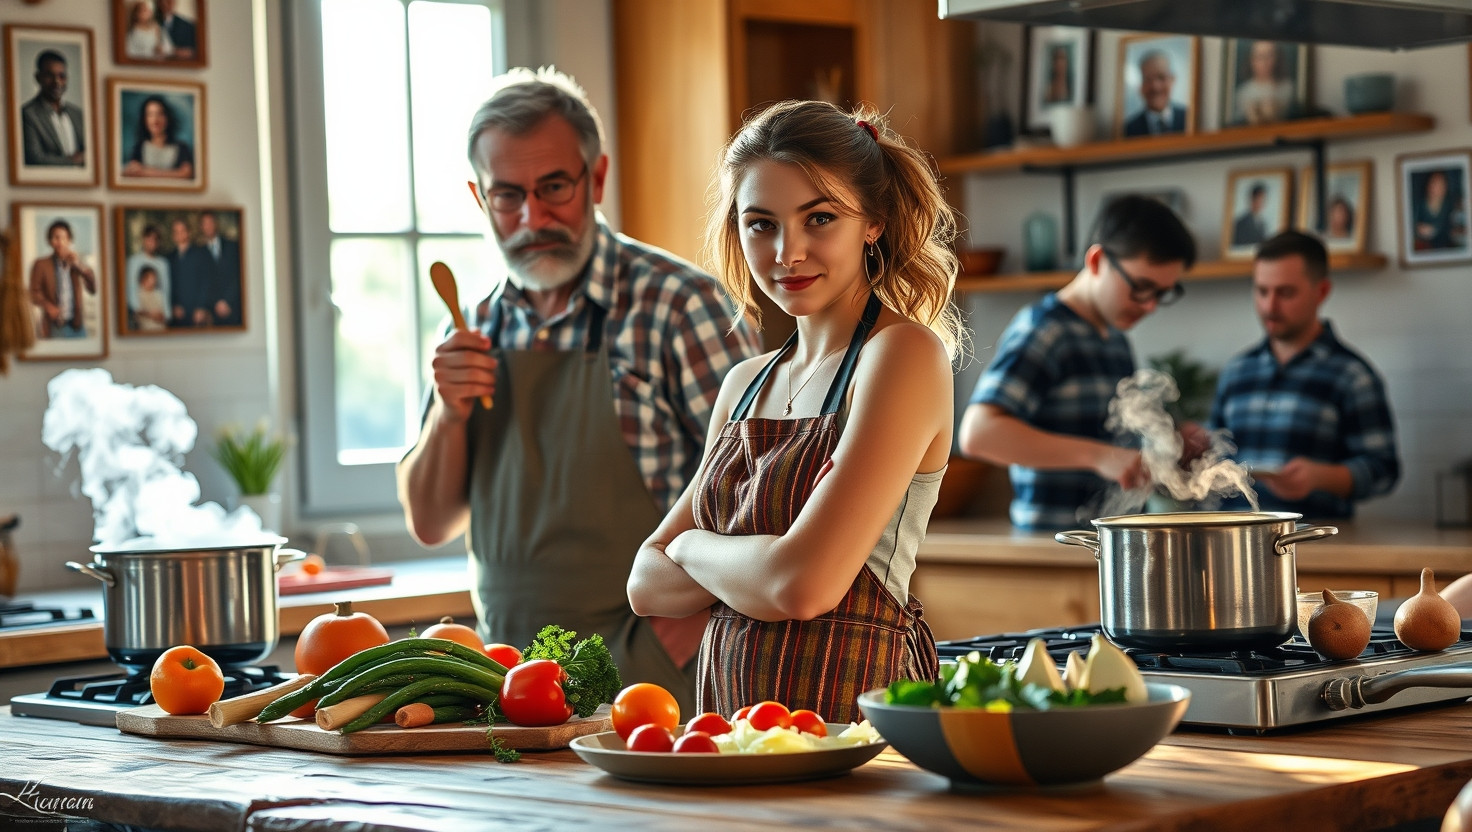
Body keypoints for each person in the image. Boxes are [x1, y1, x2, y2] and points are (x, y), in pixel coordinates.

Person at [396, 67, 760, 715]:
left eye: (554, 187)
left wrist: (680, 633)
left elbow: (764, 492)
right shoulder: (472, 326)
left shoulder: (680, 307)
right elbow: (429, 523)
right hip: (506, 683)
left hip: (650, 676)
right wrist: (448, 417)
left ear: (596, 178)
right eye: (508, 196)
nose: (533, 218)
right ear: (480, 199)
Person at [626, 101, 961, 723]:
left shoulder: (902, 355)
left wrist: (696, 546)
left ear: (874, 222)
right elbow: (646, 584)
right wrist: (762, 564)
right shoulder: (744, 383)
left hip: (857, 723)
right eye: (761, 224)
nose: (787, 251)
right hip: (729, 731)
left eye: (820, 218)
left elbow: (803, 586)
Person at [958, 195, 1198, 530]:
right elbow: (978, 433)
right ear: (1098, 260)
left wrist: (1169, 444)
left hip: (1109, 547)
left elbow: (1114, 442)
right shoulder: (1045, 330)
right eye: (1142, 287)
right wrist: (1100, 457)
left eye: (1162, 293)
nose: (1150, 307)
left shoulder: (1115, 342)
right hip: (1055, 550)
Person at [1209, 231, 1399, 519]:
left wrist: (1323, 477)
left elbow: (1384, 470)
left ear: (1321, 292)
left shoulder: (1351, 376)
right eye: (1262, 291)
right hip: (1232, 542)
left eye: (1285, 293)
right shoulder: (1236, 372)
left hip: (1315, 545)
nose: (1269, 306)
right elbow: (1215, 456)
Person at [29, 219, 97, 339]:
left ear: (70, 240)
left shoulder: (77, 263)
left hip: (77, 325)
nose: (60, 242)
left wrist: (77, 264)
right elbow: (33, 293)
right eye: (56, 237)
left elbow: (93, 288)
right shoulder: (41, 264)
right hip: (55, 325)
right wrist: (48, 306)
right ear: (50, 241)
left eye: (64, 238)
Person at [20, 50, 85, 167]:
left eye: (62, 76)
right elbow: (34, 159)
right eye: (49, 75)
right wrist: (72, 161)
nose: (57, 82)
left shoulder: (77, 113)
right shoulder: (27, 114)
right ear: (38, 77)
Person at [122, 96, 194, 179]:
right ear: (144, 120)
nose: (155, 120)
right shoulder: (139, 147)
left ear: (167, 118)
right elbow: (133, 172)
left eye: (159, 114)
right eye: (150, 115)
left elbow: (186, 173)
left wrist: (146, 172)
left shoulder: (181, 147)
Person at [1122, 50, 1187, 137]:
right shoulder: (1128, 130)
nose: (1155, 87)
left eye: (1161, 77)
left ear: (1172, 80)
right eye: (1147, 79)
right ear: (1140, 86)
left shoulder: (1189, 119)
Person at [1232, 40, 1295, 125]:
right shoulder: (1243, 92)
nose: (1264, 62)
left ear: (1278, 58)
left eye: (1269, 56)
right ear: (1251, 60)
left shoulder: (1288, 88)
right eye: (1259, 56)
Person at [168, 217, 214, 327]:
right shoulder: (170, 257)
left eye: (182, 231)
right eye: (176, 231)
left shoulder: (201, 253)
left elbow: (206, 281)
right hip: (177, 314)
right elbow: (168, 283)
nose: (179, 234)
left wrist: (201, 307)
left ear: (188, 232)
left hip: (197, 312)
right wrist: (173, 305)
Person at [199, 211, 241, 326]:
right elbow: (203, 282)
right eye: (205, 223)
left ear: (216, 224)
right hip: (213, 312)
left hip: (234, 308)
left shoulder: (232, 246)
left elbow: (239, 275)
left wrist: (227, 300)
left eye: (210, 222)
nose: (208, 226)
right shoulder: (199, 252)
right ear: (201, 227)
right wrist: (216, 303)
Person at [125, 224, 171, 326]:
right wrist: (142, 312)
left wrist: (166, 316)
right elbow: (132, 289)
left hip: (159, 314)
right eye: (149, 238)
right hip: (141, 316)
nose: (152, 242)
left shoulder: (163, 263)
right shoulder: (134, 261)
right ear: (143, 239)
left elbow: (165, 289)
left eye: (155, 239)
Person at [1413, 170, 1468, 251]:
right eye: (1434, 183)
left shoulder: (1451, 205)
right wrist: (1417, 230)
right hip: (1425, 249)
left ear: (1445, 187)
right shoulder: (1419, 205)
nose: (1436, 188)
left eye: (1440, 184)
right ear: (1428, 185)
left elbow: (1455, 228)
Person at [1232, 182, 1270, 247]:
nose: (1261, 203)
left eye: (1263, 200)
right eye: (1259, 199)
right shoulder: (1240, 223)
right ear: (1252, 199)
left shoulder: (1263, 224)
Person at [133, 267, 168, 332]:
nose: (154, 281)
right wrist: (151, 314)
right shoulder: (137, 294)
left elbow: (163, 315)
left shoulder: (158, 294)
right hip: (145, 331)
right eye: (151, 278)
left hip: (160, 330)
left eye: (155, 278)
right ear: (143, 279)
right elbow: (136, 312)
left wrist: (160, 316)